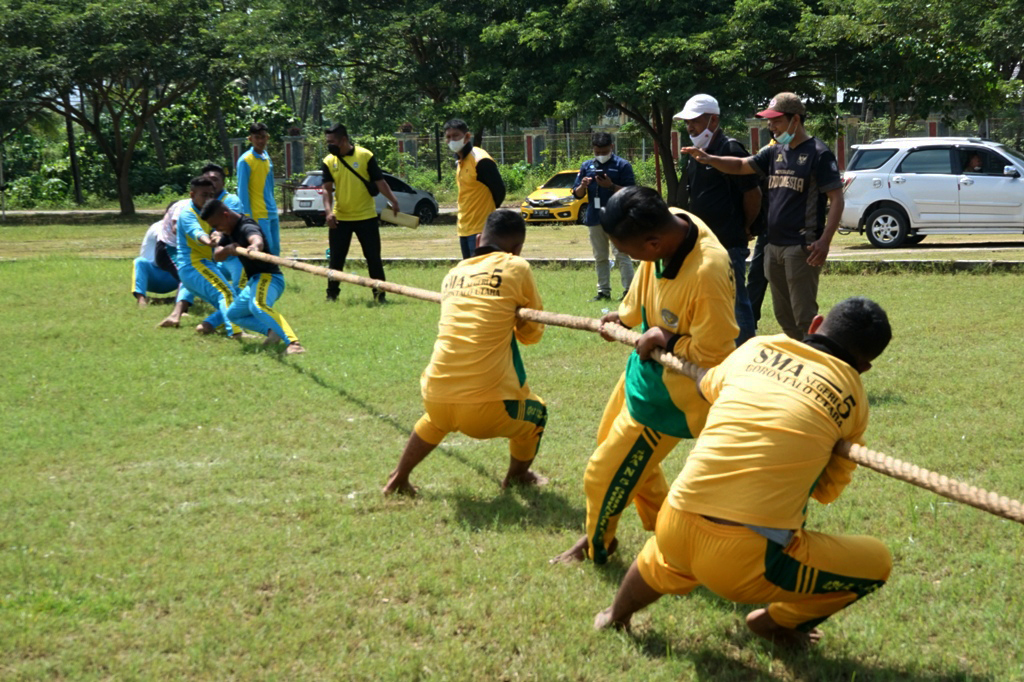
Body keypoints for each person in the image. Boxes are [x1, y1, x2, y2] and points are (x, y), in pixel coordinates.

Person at [594, 297, 893, 651]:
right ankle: (774, 622)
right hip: (744, 562)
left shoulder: (758, 346)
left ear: (815, 324)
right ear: (863, 367)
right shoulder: (854, 396)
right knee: (877, 563)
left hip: (673, 522)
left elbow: (708, 387)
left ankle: (615, 614)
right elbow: (826, 491)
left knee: (666, 556)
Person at [554, 186, 738, 565]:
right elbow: (645, 279)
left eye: (629, 251)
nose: (628, 257)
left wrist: (668, 338)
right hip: (643, 374)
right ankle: (667, 530)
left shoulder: (708, 273)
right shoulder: (669, 223)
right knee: (619, 454)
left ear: (653, 242)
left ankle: (596, 546)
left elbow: (715, 353)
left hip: (671, 398)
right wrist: (626, 316)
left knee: (602, 475)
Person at [383, 209, 548, 496]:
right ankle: (518, 476)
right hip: (488, 409)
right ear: (517, 249)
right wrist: (517, 319)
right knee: (538, 414)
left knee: (436, 421)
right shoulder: (516, 267)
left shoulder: (454, 273)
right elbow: (531, 335)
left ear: (478, 239)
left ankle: (399, 477)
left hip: (435, 396)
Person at [682, 92, 844, 340]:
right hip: (772, 245)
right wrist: (709, 158)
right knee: (784, 317)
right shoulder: (775, 151)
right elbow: (739, 165)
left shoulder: (818, 153)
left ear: (795, 120)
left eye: (776, 121)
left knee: (804, 317)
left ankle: (817, 363)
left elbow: (837, 199)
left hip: (802, 246)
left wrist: (825, 241)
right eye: (769, 121)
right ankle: (794, 365)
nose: (771, 127)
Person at [674, 94, 762, 344]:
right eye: (687, 122)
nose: (690, 127)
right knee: (707, 299)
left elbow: (752, 193)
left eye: (695, 120)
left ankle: (745, 350)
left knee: (735, 300)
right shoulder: (696, 152)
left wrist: (745, 226)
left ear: (714, 120)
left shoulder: (729, 148)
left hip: (729, 241)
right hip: (702, 242)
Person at [202, 199, 305, 355]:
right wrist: (227, 249)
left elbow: (257, 240)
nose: (216, 229)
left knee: (258, 306)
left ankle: (294, 344)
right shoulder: (229, 231)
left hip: (269, 278)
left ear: (225, 215)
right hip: (254, 281)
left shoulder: (246, 226)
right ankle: (273, 331)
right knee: (233, 314)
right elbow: (217, 256)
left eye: (216, 226)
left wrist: (253, 247)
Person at [321, 123, 401, 304]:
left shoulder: (365, 156)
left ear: (343, 139)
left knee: (373, 259)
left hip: (367, 217)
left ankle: (380, 295)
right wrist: (328, 212)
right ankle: (331, 295)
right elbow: (326, 190)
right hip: (340, 219)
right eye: (327, 142)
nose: (329, 145)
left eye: (332, 141)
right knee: (336, 260)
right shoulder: (328, 161)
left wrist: (393, 200)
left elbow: (380, 182)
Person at [571, 132, 636, 302]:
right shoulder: (586, 166)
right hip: (595, 217)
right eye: (597, 152)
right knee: (600, 257)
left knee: (621, 254)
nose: (600, 155)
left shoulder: (622, 165)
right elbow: (576, 194)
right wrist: (583, 186)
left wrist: (611, 185)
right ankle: (603, 291)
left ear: (611, 148)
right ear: (593, 149)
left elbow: (631, 192)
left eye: (604, 151)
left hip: (617, 217)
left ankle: (629, 291)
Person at [174, 176, 239, 338]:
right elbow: (198, 234)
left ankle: (208, 325)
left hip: (204, 265)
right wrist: (211, 240)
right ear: (192, 195)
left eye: (211, 195)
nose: (209, 199)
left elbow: (218, 230)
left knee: (230, 297)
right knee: (226, 294)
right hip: (192, 266)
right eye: (204, 195)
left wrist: (219, 234)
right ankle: (236, 333)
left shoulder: (207, 214)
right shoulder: (188, 215)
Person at [444, 119, 506, 259]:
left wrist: (487, 211)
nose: (451, 140)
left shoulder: (480, 160)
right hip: (464, 228)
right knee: (470, 272)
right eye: (448, 137)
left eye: (456, 136)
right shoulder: (460, 161)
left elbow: (499, 190)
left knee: (481, 272)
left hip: (480, 229)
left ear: (467, 137)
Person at [236, 122, 280, 256]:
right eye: (256, 137)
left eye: (263, 137)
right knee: (265, 250)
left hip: (271, 211)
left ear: (268, 137)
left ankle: (274, 277)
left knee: (275, 250)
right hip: (257, 214)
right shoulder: (245, 160)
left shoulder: (266, 157)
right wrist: (246, 216)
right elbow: (242, 190)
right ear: (250, 139)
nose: (260, 140)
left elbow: (270, 185)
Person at [202, 162, 244, 288]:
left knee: (240, 287)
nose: (211, 184)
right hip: (208, 256)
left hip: (231, 255)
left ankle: (238, 303)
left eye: (215, 179)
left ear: (223, 183)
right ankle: (183, 303)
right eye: (206, 180)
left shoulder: (231, 200)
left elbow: (224, 227)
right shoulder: (197, 203)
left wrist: (216, 235)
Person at [132, 216, 184, 307]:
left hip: (172, 275)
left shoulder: (185, 227)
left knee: (190, 266)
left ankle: (181, 301)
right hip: (153, 276)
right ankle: (141, 301)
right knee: (139, 262)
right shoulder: (158, 227)